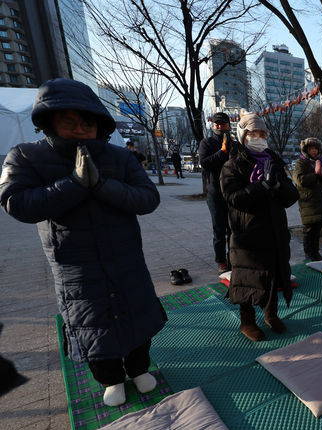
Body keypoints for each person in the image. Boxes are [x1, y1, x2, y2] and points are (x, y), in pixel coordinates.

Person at [0, 78, 166, 406]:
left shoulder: (120, 158)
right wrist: (74, 184)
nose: (80, 129)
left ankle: (138, 369)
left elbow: (148, 198)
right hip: (75, 265)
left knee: (137, 319)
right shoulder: (26, 156)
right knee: (92, 324)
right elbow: (15, 202)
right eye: (69, 121)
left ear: (99, 124)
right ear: (50, 121)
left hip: (125, 258)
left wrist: (101, 185)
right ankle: (110, 378)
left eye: (87, 122)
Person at [220, 109, 298, 341]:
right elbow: (233, 198)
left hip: (275, 232)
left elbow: (291, 197)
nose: (260, 137)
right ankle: (247, 321)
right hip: (248, 235)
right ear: (243, 135)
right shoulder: (233, 165)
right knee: (247, 279)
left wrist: (277, 186)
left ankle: (270, 314)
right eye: (255, 133)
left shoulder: (274, 161)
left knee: (274, 276)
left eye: (263, 133)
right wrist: (261, 187)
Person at [199, 112, 234, 273]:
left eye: (222, 123)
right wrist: (222, 152)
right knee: (219, 230)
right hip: (216, 194)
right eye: (216, 123)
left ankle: (234, 259)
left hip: (233, 193)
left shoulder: (235, 143)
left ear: (229, 125)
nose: (219, 126)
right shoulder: (207, 143)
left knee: (234, 230)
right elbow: (205, 164)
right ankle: (221, 262)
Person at [293, 137, 322, 261]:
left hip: (320, 202)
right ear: (306, 149)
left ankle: (316, 253)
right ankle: (308, 254)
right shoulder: (301, 163)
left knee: (317, 230)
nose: (314, 151)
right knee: (309, 230)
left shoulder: (320, 162)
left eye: (316, 148)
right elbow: (300, 180)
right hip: (308, 203)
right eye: (311, 148)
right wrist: (315, 174)